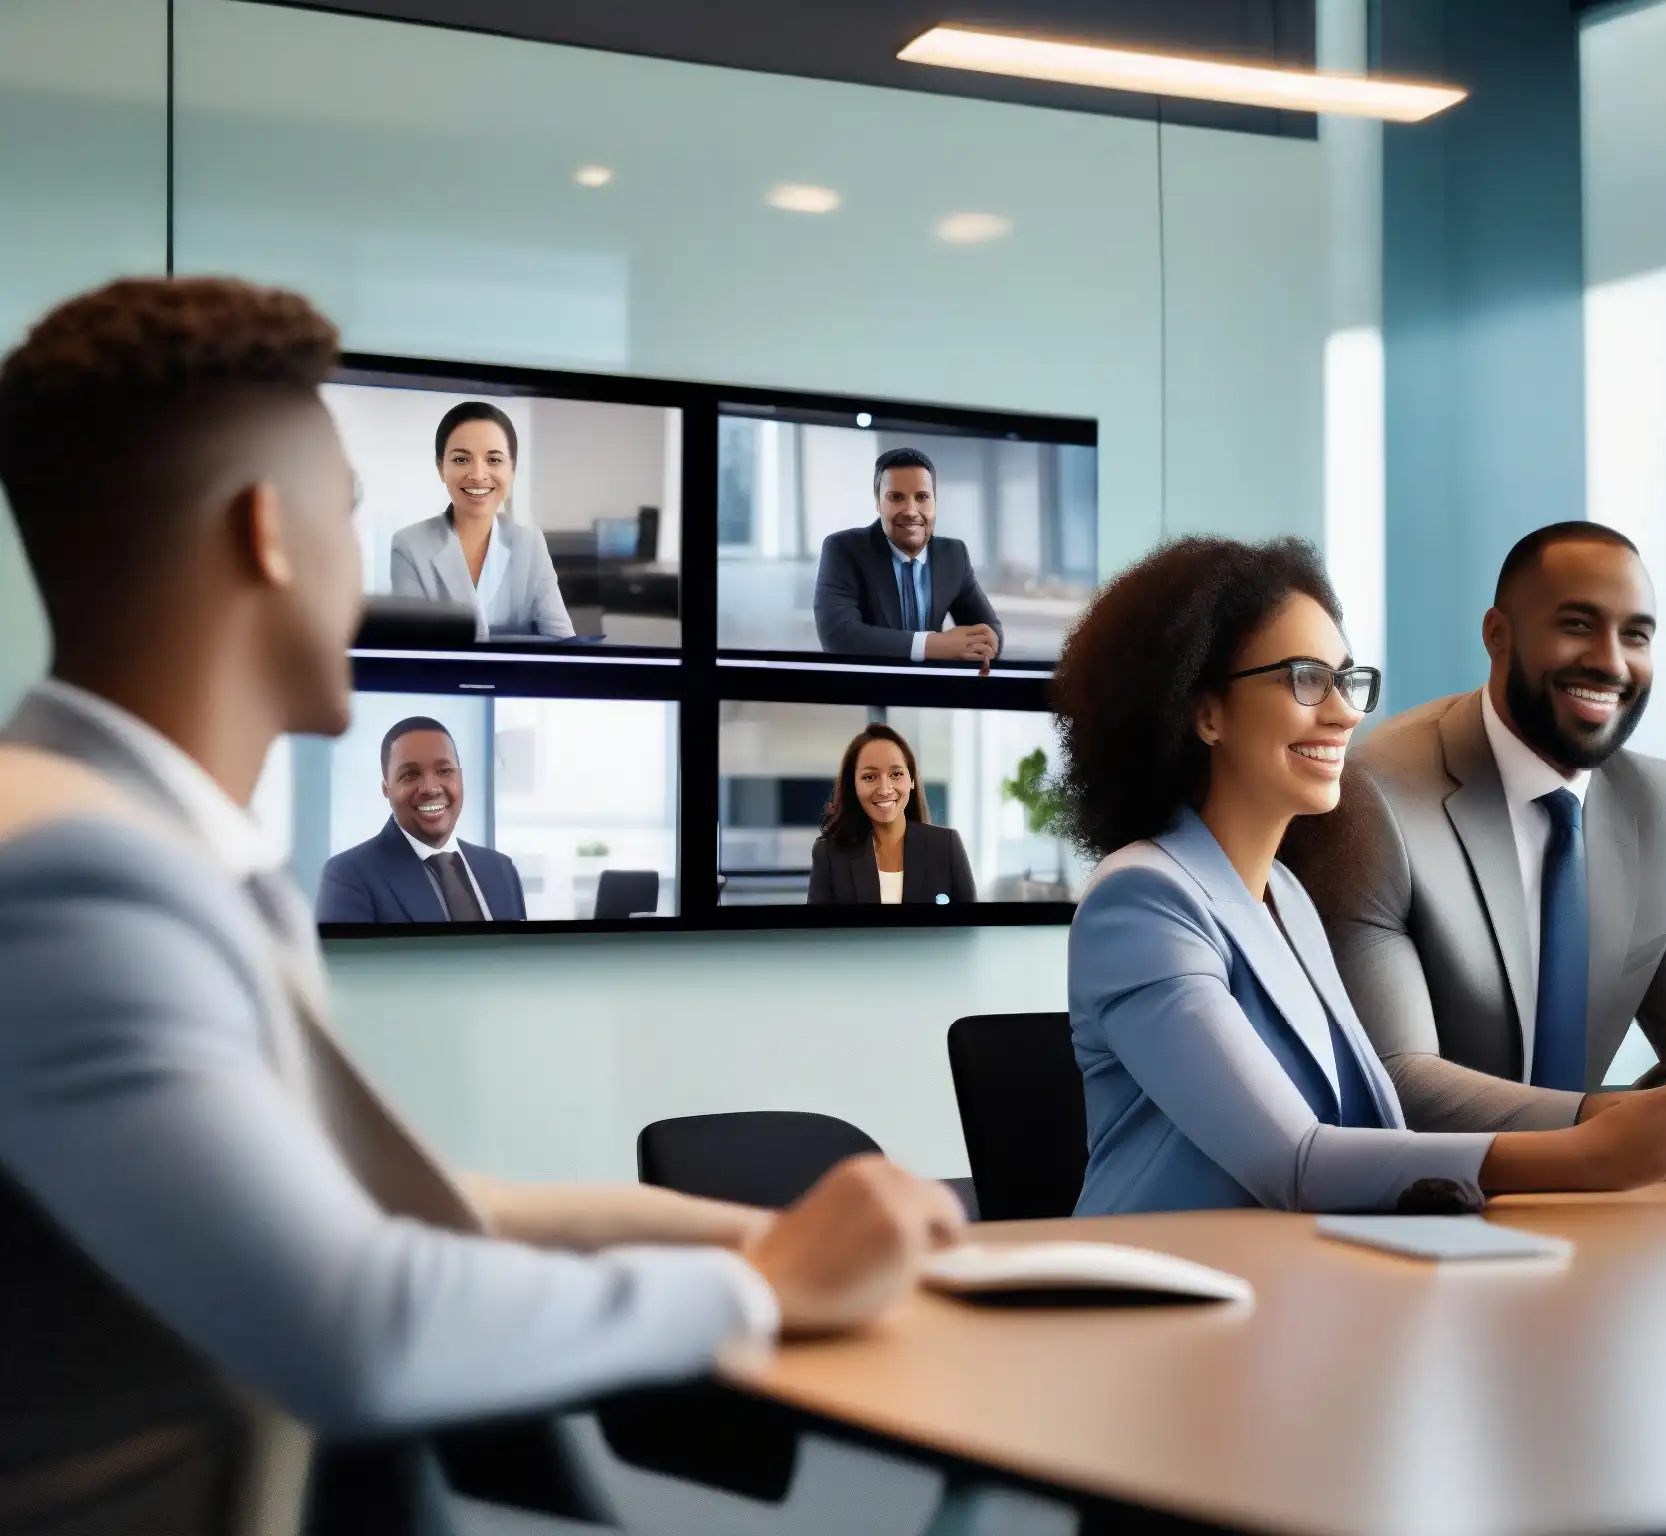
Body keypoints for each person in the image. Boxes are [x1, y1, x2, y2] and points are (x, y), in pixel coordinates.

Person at [0, 276, 964, 1533]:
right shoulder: (76, 881)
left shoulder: (134, 843)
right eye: (345, 518)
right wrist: (768, 1289)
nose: (368, 568)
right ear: (268, 537)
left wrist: (753, 1235)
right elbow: (361, 1319)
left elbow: (409, 1203)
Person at [1051, 535, 1666, 1217]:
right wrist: (1590, 1146)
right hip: (1154, 1302)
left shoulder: (1289, 898)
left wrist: (1660, 1108)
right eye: (1306, 679)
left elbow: (1375, 1123)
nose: (1344, 713)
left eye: (1347, 680)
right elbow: (1297, 1162)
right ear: (1204, 710)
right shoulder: (1142, 901)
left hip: (1291, 1287)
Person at [1282, 521, 1666, 1133]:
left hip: (1598, 1207)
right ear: (1498, 636)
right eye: (1577, 626)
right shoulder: (1374, 794)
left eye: (1635, 635)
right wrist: (1615, 1117)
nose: (1610, 662)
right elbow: (1392, 1081)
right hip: (1431, 1205)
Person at [388, 400, 575, 640]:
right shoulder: (409, 545)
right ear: (440, 468)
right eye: (461, 459)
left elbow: (562, 639)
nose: (477, 475)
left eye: (494, 460)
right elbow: (411, 647)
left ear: (512, 469)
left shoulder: (529, 541)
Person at [316, 715, 526, 923]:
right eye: (410, 775)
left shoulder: (502, 870)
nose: (431, 789)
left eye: (444, 771)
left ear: (460, 778)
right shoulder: (348, 877)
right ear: (386, 789)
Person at [811, 447, 1003, 667]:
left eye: (922, 497)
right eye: (896, 497)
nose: (911, 511)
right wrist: (937, 645)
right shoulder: (843, 548)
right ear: (877, 503)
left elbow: (991, 632)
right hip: (876, 689)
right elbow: (839, 637)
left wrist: (987, 644)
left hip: (935, 692)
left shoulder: (954, 554)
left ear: (935, 502)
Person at [808, 723, 976, 905]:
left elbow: (971, 928)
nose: (885, 789)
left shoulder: (946, 846)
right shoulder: (829, 853)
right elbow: (817, 931)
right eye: (870, 777)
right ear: (853, 785)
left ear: (911, 780)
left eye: (896, 774)